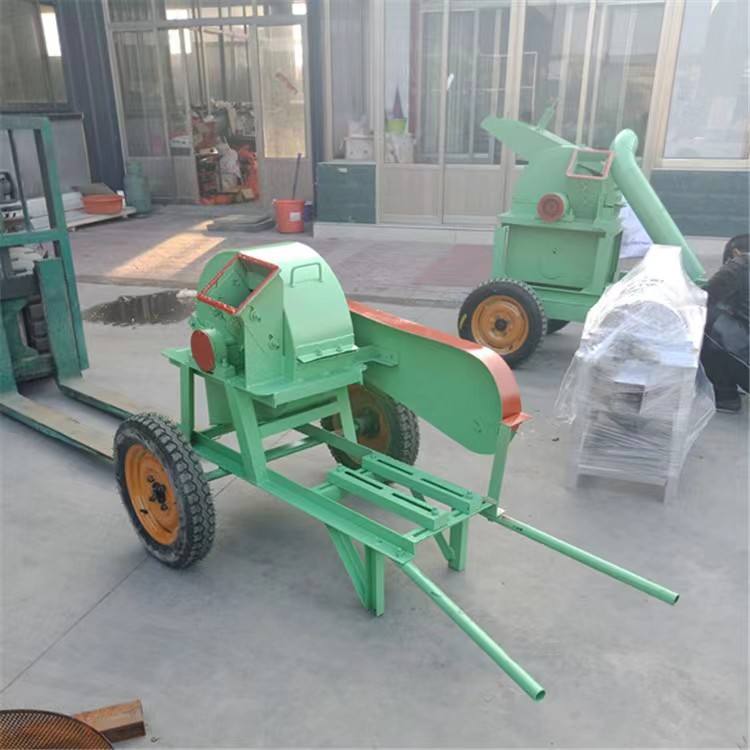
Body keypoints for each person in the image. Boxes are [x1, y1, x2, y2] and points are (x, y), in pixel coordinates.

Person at [700, 234, 749, 413]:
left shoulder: (741, 264)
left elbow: (702, 298)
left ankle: (725, 395)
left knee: (704, 318)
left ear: (735, 253)